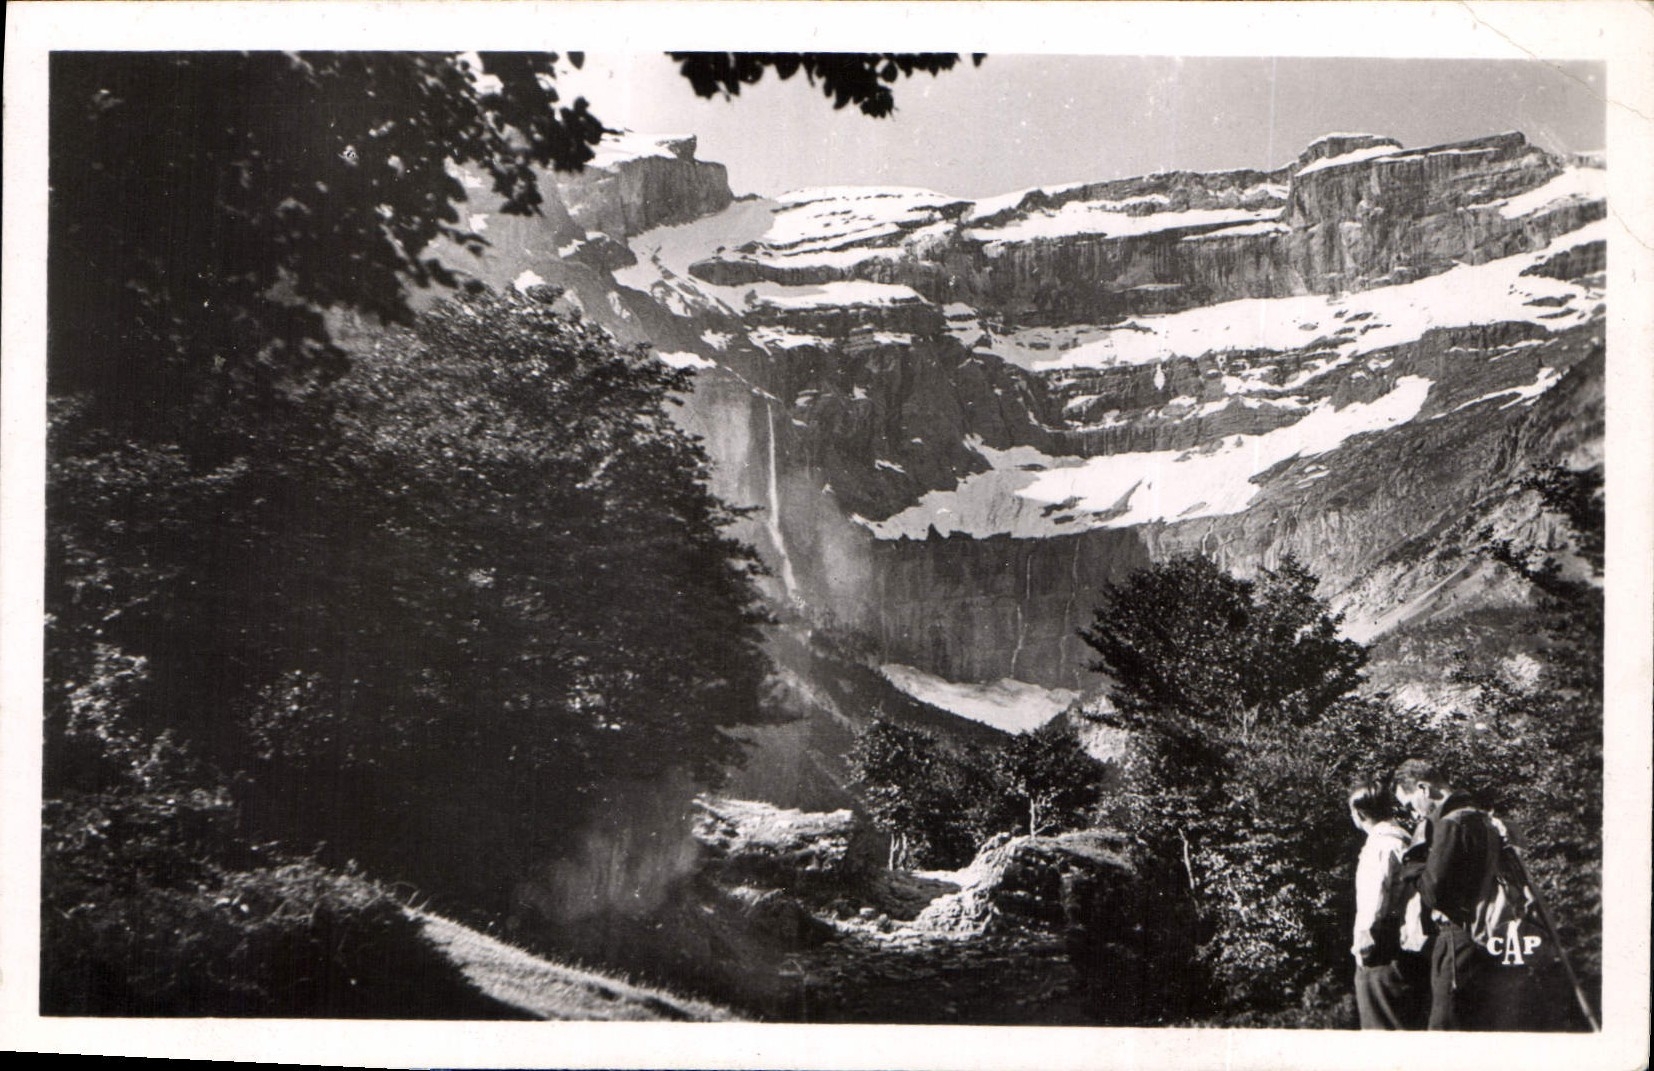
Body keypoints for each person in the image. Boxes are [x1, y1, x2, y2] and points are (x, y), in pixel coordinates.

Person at [1391, 758, 1550, 1031]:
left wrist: (1414, 862)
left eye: (1410, 804)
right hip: (1491, 933)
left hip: (1458, 937)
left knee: (1446, 1026)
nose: (1415, 814)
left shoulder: (1450, 823)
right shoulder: (1484, 818)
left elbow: (1433, 892)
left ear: (1423, 789)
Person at [1347, 778, 1429, 1029]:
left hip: (1383, 950)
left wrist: (1363, 949)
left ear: (1359, 813)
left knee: (1380, 1033)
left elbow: (1374, 903)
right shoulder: (1406, 840)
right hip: (1410, 946)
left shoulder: (1379, 846)